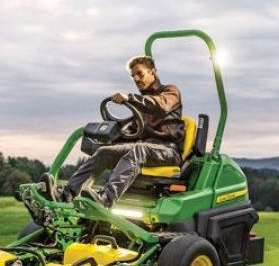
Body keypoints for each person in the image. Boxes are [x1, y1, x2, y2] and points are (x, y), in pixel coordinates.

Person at [57, 55, 185, 207]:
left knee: (139, 149)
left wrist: (129, 98)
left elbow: (160, 105)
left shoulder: (169, 92)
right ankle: (67, 194)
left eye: (140, 73)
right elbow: (130, 131)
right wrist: (110, 139)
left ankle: (106, 199)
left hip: (168, 151)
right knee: (105, 151)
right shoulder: (140, 106)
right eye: (133, 76)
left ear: (152, 72)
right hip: (146, 150)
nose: (137, 79)